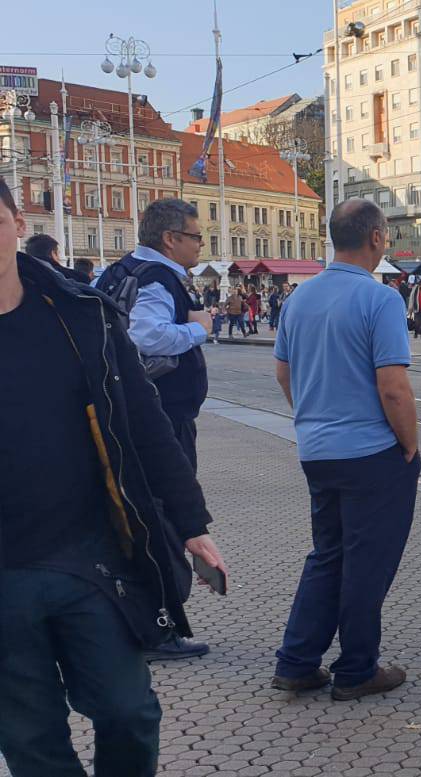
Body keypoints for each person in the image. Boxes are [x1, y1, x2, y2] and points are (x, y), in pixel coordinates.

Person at [0, 178, 227, 774]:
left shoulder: (81, 314)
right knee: (30, 739)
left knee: (130, 712)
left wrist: (190, 522)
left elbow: (145, 425)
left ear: (17, 222)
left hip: (88, 557)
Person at [271, 199, 420, 701]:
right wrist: (410, 444)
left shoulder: (299, 298)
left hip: (317, 450)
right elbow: (393, 387)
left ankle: (296, 662)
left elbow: (284, 371)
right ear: (377, 237)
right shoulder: (381, 300)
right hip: (371, 451)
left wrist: (312, 419)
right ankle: (357, 669)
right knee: (367, 561)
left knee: (327, 554)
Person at [93, 198, 216, 661]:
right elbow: (146, 336)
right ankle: (160, 626)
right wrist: (198, 329)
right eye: (195, 236)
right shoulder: (157, 278)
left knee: (136, 515)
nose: (199, 244)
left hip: (123, 413)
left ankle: (133, 621)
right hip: (161, 418)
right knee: (165, 519)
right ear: (170, 239)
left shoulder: (118, 272)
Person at [22, 233, 90, 283]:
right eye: (58, 253)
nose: (59, 258)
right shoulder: (75, 277)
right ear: (53, 253)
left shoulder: (22, 275)